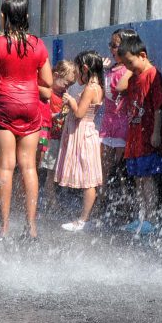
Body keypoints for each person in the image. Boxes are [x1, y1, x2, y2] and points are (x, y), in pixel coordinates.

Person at [0, 0, 53, 239]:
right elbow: (49, 82)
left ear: (4, 17)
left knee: (5, 167)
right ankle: (31, 227)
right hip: (31, 108)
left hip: (4, 108)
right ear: (26, 17)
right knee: (29, 167)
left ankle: (3, 229)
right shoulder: (38, 45)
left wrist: (5, 85)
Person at [118, 33, 162, 236]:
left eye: (130, 63)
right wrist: (130, 70)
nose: (128, 68)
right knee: (138, 179)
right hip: (135, 137)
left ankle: (152, 218)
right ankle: (141, 216)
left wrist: (156, 133)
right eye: (125, 65)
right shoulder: (134, 77)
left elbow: (159, 108)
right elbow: (118, 87)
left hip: (147, 137)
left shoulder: (153, 76)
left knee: (147, 178)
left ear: (142, 55)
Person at [56, 51, 105, 232]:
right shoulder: (97, 85)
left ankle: (84, 220)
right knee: (88, 178)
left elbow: (79, 113)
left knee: (88, 181)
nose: (76, 74)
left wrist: (70, 100)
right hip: (86, 133)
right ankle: (86, 218)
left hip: (84, 134)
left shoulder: (90, 89)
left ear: (85, 68)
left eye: (77, 70)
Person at [98, 28, 137, 214]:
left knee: (121, 169)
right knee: (103, 167)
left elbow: (120, 88)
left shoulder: (129, 69)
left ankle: (127, 206)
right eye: (111, 45)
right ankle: (102, 200)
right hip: (107, 123)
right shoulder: (110, 69)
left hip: (122, 124)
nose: (112, 49)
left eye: (116, 45)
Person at [40, 59, 77, 211]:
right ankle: (52, 202)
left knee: (54, 171)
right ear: (55, 76)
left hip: (59, 137)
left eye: (70, 85)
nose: (67, 87)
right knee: (49, 172)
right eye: (66, 83)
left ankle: (51, 199)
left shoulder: (63, 94)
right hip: (48, 137)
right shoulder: (48, 93)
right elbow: (42, 113)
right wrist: (55, 115)